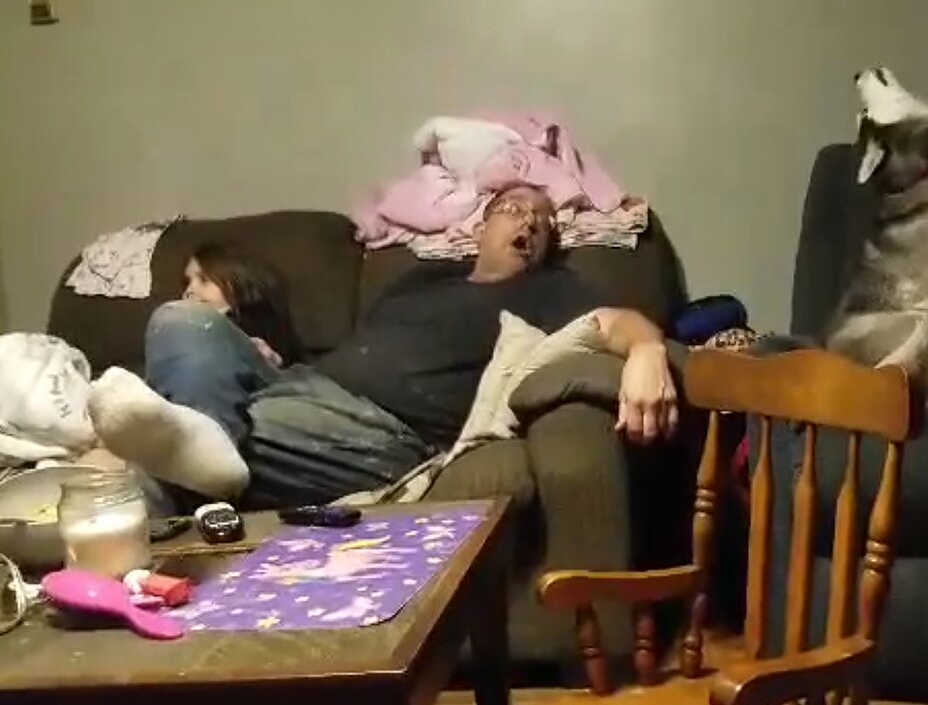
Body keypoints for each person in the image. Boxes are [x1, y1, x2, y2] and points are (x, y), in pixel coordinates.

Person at [87, 185, 678, 508]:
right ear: (481, 227)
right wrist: (262, 364)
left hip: (379, 432)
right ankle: (202, 446)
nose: (530, 223)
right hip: (304, 387)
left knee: (135, 480)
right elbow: (359, 353)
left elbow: (617, 321)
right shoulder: (421, 280)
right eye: (514, 209)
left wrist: (648, 353)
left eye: (544, 222)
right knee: (181, 320)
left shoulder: (550, 289)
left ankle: (193, 451)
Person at [182, 241, 302, 368]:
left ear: (235, 281)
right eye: (187, 282)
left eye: (204, 279)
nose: (188, 291)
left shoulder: (258, 321)